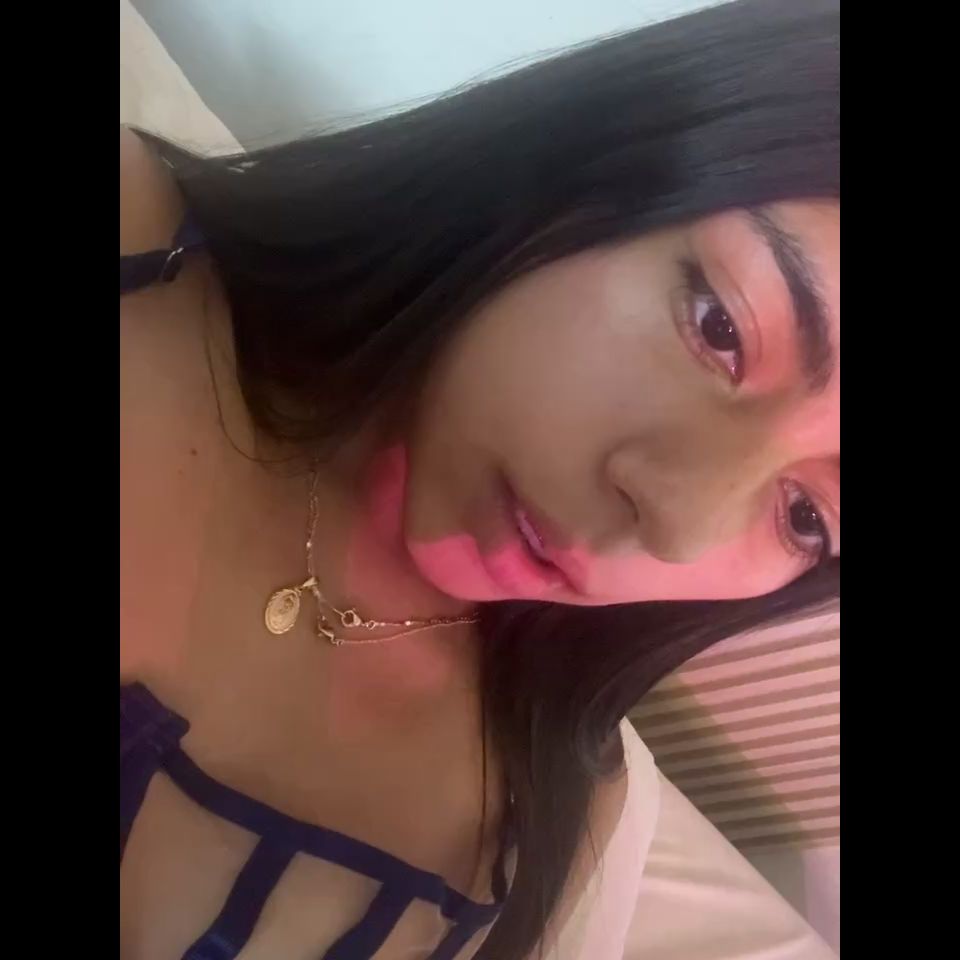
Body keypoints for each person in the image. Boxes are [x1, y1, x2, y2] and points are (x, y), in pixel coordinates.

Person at [119, 0, 839, 956]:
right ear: (600, 156)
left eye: (807, 518)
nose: (676, 523)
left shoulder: (544, 841)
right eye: (722, 327)